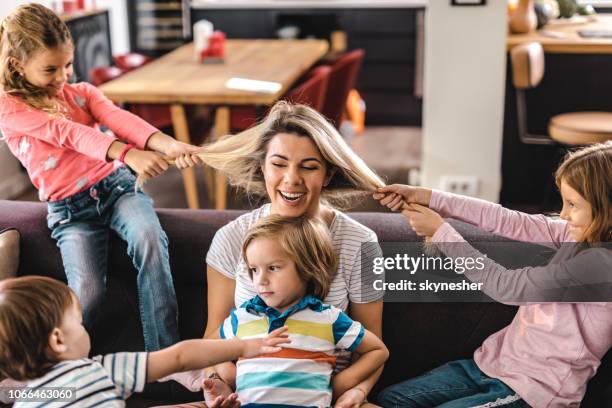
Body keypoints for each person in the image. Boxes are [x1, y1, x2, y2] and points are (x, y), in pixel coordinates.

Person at [0, 4, 200, 351]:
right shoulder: (11, 109)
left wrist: (169, 144)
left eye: (67, 65)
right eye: (50, 69)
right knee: (87, 290)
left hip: (117, 189)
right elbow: (67, 134)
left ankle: (166, 354)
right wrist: (128, 153)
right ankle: (54, 363)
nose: (62, 77)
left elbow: (121, 120)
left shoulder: (82, 93)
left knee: (150, 239)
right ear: (18, 65)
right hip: (70, 212)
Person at [164, 101, 387, 407]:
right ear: (262, 167)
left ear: (328, 173)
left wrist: (353, 393)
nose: (291, 179)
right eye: (279, 164)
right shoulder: (230, 239)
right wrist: (218, 386)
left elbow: (373, 347)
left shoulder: (361, 243)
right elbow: (214, 337)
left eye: (308, 166)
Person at [374, 141, 612, 407]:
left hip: (534, 390)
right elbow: (507, 220)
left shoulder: (600, 265)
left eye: (573, 204)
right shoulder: (576, 234)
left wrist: (441, 233)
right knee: (392, 399)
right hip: (490, 366)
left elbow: (505, 287)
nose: (563, 214)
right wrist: (429, 196)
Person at [0, 276, 289, 407]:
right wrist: (244, 346)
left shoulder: (27, 399)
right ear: (58, 340)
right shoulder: (99, 370)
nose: (84, 327)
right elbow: (179, 357)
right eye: (77, 321)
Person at [216, 215, 388, 407]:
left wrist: (336, 386)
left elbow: (377, 350)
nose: (260, 280)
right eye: (254, 269)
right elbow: (210, 349)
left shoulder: (329, 319)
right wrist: (228, 379)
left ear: (307, 269)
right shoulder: (241, 319)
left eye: (273, 268)